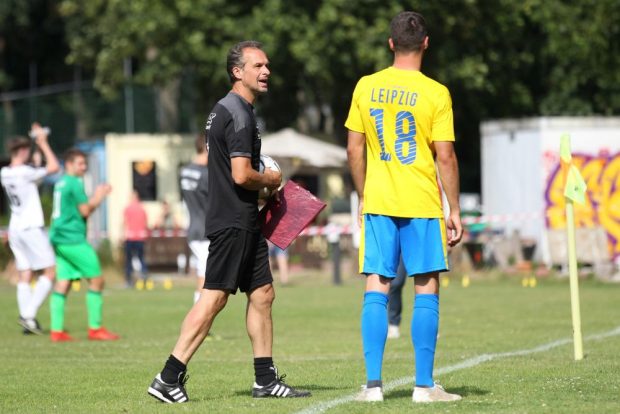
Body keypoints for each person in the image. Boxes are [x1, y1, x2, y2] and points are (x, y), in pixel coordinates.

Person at [148, 40, 310, 403]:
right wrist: (270, 180)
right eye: (257, 66)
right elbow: (240, 175)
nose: (266, 71)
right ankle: (168, 377)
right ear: (238, 72)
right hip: (233, 221)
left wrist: (262, 192)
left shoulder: (226, 109)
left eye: (267, 65)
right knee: (214, 299)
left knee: (264, 294)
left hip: (244, 220)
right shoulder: (238, 113)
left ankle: (265, 380)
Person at [346, 11, 463, 403]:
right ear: (426, 43)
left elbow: (353, 148)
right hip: (422, 202)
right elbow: (444, 156)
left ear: (391, 43)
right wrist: (455, 208)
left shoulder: (366, 85)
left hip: (379, 200)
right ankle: (424, 386)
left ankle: (373, 386)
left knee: (376, 285)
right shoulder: (436, 92)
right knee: (426, 287)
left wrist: (364, 194)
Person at [48, 148, 119, 342]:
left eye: (84, 163)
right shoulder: (73, 183)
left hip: (58, 237)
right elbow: (85, 210)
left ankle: (56, 331)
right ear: (69, 164)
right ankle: (95, 329)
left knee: (63, 282)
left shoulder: (60, 182)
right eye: (80, 163)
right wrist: (100, 195)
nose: (84, 167)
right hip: (72, 239)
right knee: (97, 280)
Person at [1, 123, 60, 334]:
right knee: (50, 271)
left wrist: (35, 162)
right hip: (31, 227)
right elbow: (54, 167)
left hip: (15, 228)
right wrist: (43, 143)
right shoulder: (25, 172)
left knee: (25, 273)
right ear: (22, 151)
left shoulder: (5, 172)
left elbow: (29, 179)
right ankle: (28, 315)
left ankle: (29, 320)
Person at [179, 135, 210, 303]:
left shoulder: (185, 171)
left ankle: (200, 322)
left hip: (194, 230)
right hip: (206, 232)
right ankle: (198, 321)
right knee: (206, 279)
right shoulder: (207, 174)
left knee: (202, 274)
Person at [123, 190, 149, 288]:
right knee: (141, 258)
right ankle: (144, 276)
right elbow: (146, 222)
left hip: (130, 237)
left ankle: (129, 280)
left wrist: (123, 234)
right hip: (141, 237)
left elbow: (125, 222)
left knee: (129, 260)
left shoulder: (128, 208)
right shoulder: (142, 208)